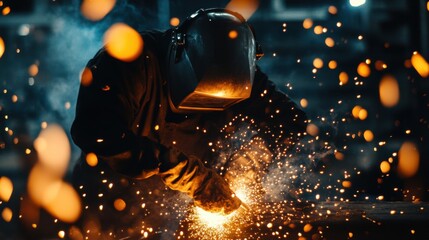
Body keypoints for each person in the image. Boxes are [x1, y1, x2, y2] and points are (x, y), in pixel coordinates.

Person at [71, 8, 307, 238]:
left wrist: (253, 158)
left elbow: (291, 121)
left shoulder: (238, 72)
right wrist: (190, 176)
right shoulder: (125, 62)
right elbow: (96, 132)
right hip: (108, 208)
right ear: (178, 54)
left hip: (174, 217)